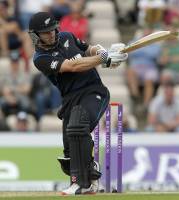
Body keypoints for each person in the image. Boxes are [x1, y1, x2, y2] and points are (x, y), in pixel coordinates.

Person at [28, 12, 128, 195]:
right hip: (70, 99)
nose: (51, 34)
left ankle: (81, 183)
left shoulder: (66, 36)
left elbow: (89, 49)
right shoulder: (40, 58)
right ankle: (89, 175)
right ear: (35, 35)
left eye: (52, 29)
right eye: (45, 32)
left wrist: (104, 53)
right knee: (69, 154)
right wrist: (104, 59)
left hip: (94, 91)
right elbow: (73, 66)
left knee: (77, 126)